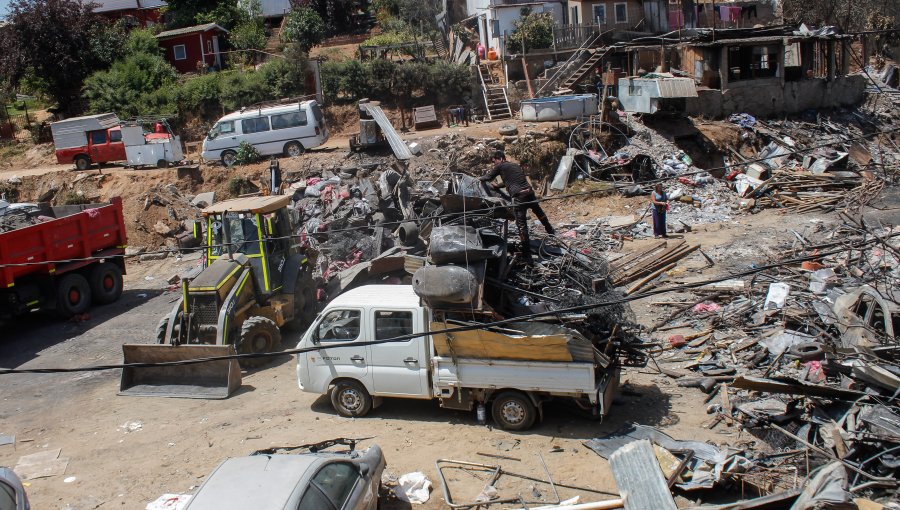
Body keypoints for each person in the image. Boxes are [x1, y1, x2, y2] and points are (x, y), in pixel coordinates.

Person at [480, 150, 555, 258]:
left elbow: (488, 177)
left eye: (494, 161)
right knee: (539, 212)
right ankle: (550, 230)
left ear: (500, 159)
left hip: (519, 197)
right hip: (529, 192)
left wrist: (477, 180)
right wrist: (498, 186)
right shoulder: (514, 165)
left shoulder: (500, 166)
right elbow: (510, 180)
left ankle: (527, 255)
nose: (494, 164)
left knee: (521, 225)